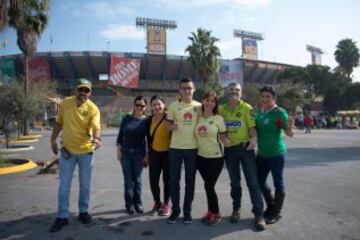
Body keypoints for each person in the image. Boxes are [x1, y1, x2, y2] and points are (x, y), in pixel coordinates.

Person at [49, 79, 101, 233]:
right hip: (68, 152)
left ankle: (83, 212)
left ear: (90, 93)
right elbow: (59, 123)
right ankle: (62, 216)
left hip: (86, 152)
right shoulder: (66, 103)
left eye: (86, 91)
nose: (82, 93)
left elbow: (96, 127)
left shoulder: (93, 108)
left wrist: (97, 139)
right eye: (80, 90)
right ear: (75, 90)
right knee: (64, 186)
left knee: (85, 185)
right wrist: (52, 140)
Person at [219, 82, 266, 231]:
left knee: (252, 182)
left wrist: (254, 139)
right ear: (226, 92)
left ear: (241, 93)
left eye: (237, 90)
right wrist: (223, 137)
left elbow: (252, 128)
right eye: (231, 89)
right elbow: (220, 129)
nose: (234, 92)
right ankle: (236, 210)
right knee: (235, 182)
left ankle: (258, 214)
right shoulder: (221, 109)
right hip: (230, 150)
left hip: (246, 149)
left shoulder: (247, 108)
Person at [255, 86, 295, 224]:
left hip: (276, 154)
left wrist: (290, 126)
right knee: (259, 181)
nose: (265, 99)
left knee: (278, 182)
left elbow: (289, 134)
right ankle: (271, 206)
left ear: (274, 98)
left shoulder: (279, 112)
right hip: (261, 155)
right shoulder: (260, 112)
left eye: (268, 97)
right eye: (263, 96)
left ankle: (276, 213)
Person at [166, 77, 201, 224]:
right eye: (184, 88)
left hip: (192, 149)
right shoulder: (173, 106)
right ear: (180, 90)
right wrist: (170, 127)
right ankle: (175, 211)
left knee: (190, 181)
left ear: (194, 90)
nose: (187, 90)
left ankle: (187, 212)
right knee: (174, 181)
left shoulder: (199, 106)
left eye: (189, 88)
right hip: (175, 148)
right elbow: (167, 126)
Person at [196, 92, 230, 226]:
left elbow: (223, 137)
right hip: (200, 158)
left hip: (216, 158)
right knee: (208, 186)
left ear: (215, 104)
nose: (210, 103)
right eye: (207, 100)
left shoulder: (218, 119)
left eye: (212, 101)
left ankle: (216, 213)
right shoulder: (197, 118)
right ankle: (210, 211)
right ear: (203, 101)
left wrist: (231, 143)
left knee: (208, 185)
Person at [116, 95, 149, 215]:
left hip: (139, 154)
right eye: (137, 105)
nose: (139, 107)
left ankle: (138, 203)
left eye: (142, 106)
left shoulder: (147, 120)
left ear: (145, 107)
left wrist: (147, 155)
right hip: (125, 153)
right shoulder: (127, 118)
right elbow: (120, 136)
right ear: (134, 106)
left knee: (138, 180)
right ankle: (129, 204)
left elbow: (149, 140)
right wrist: (118, 151)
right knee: (128, 181)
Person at [147, 95, 171, 216]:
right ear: (151, 107)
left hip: (167, 154)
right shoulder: (149, 120)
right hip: (154, 154)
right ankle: (157, 203)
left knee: (167, 181)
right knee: (153, 181)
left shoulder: (169, 119)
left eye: (159, 104)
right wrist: (147, 155)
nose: (157, 106)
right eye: (154, 104)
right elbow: (148, 139)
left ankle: (166, 204)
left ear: (164, 105)